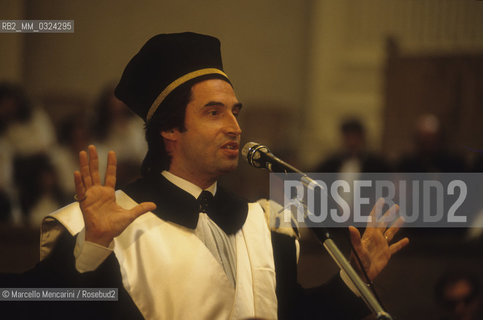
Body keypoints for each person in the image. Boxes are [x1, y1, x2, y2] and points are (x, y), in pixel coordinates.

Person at [3, 33, 408, 319]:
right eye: (214, 112)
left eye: (236, 111)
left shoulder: (265, 224)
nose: (234, 126)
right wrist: (90, 249)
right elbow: (33, 303)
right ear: (170, 130)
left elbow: (295, 313)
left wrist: (355, 279)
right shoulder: (101, 223)